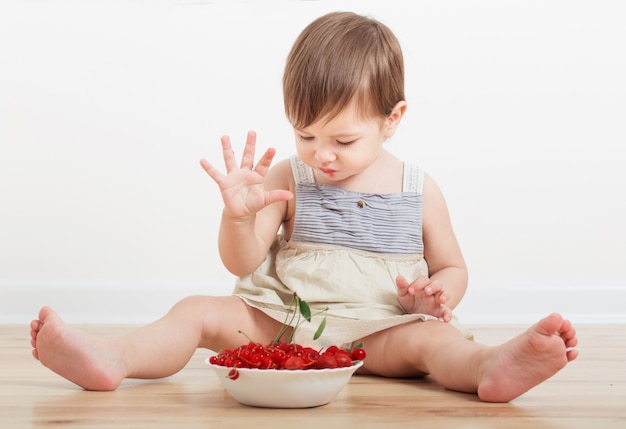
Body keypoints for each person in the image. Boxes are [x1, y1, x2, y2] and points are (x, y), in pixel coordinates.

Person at [29, 11, 578, 403]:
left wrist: (437, 297)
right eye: (305, 134)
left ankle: (492, 368)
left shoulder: (418, 188)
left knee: (435, 344)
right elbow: (242, 264)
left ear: (393, 119)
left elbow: (453, 267)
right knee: (197, 309)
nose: (322, 155)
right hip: (288, 323)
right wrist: (238, 217)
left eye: (343, 141)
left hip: (380, 331)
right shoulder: (287, 176)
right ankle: (114, 358)